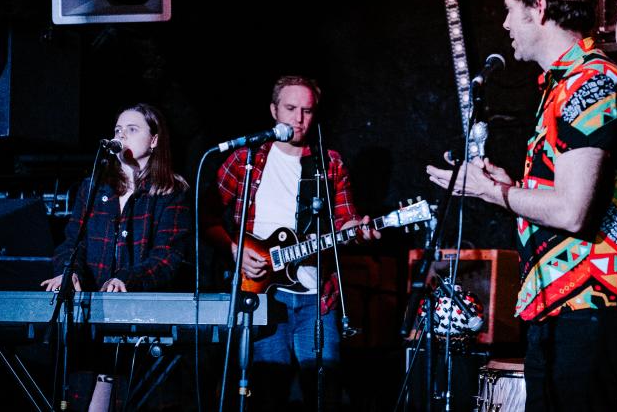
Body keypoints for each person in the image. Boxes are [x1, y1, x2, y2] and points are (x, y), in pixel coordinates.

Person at [427, 0, 617, 411]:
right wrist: (509, 186)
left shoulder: (592, 83)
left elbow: (572, 211)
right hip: (562, 300)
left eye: (511, 10)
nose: (506, 24)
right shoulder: (563, 84)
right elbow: (565, 194)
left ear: (540, 7)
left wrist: (491, 191)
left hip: (592, 300)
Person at [201, 75, 379, 410]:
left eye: (307, 111)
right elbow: (205, 217)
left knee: (324, 394)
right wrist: (235, 250)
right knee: (268, 393)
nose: (298, 119)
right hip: (263, 295)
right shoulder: (246, 160)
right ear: (274, 110)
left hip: (317, 299)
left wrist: (360, 228)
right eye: (290, 108)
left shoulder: (329, 163)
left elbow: (345, 221)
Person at [42, 102, 190, 293]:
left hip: (142, 304)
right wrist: (70, 272)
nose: (121, 135)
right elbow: (73, 242)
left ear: (153, 140)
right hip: (91, 302)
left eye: (132, 129)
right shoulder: (93, 188)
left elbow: (167, 257)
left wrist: (126, 279)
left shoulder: (171, 192)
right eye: (118, 130)